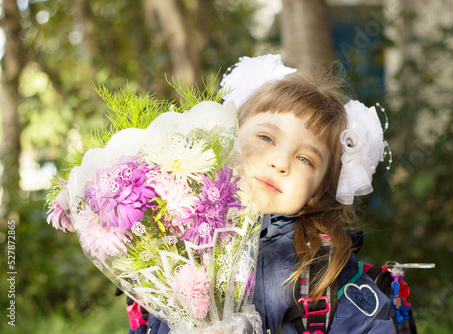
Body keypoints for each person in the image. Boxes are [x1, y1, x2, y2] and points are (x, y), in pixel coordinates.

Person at [128, 56, 396, 334]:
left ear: (318, 192)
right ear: (229, 137)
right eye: (266, 138)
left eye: (305, 159)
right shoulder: (175, 241)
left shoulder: (324, 266)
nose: (280, 163)